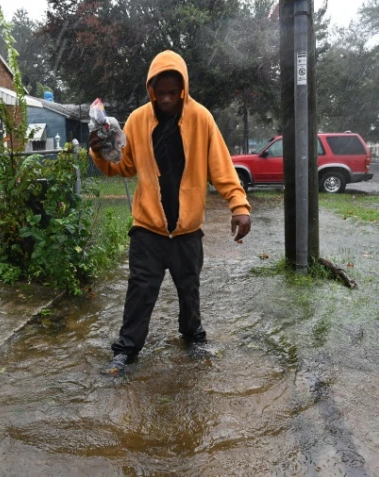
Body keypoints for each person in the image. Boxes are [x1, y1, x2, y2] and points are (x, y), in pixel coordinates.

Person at [89, 50, 252, 375]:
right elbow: (122, 167)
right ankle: (126, 351)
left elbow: (221, 167)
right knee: (140, 290)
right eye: (159, 92)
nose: (165, 98)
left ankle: (193, 339)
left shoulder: (201, 118)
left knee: (189, 288)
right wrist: (99, 151)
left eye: (171, 92)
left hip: (187, 231)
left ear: (183, 89)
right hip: (147, 230)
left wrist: (239, 205)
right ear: (151, 89)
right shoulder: (137, 120)